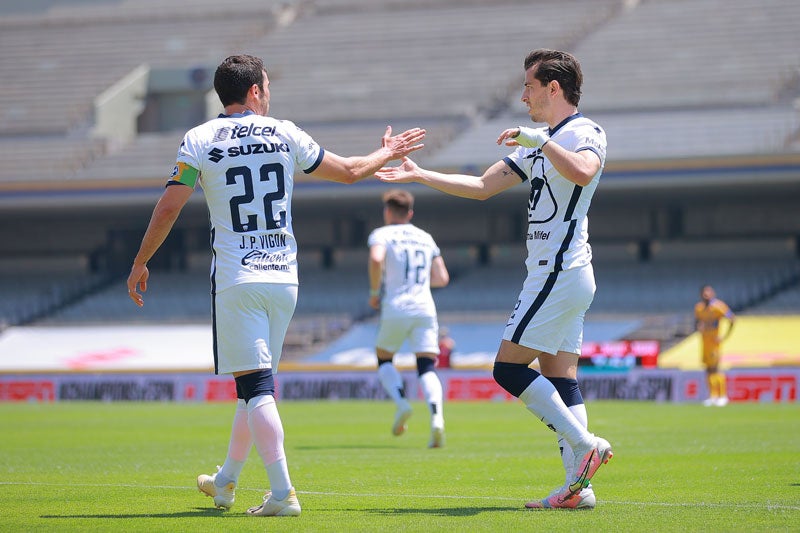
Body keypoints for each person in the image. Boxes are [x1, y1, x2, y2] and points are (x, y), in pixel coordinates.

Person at [126, 54, 425, 517]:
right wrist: (388, 152)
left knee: (257, 386)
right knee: (253, 387)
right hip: (284, 277)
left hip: (237, 278)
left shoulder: (200, 139)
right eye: (267, 85)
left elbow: (168, 207)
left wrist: (142, 260)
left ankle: (283, 495)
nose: (270, 93)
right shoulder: (285, 132)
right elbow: (348, 171)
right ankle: (225, 481)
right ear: (255, 92)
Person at [375, 49, 612, 510]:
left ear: (553, 88)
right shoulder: (540, 140)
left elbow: (583, 172)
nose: (523, 96)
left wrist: (540, 142)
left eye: (529, 86)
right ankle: (577, 489)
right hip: (557, 274)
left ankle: (585, 445)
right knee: (561, 377)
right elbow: (482, 187)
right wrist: (420, 174)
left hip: (560, 272)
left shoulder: (585, 132)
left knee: (507, 368)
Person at [368, 189, 450, 448]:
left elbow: (376, 258)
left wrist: (374, 291)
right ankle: (437, 418)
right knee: (426, 366)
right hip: (425, 306)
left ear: (388, 211)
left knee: (384, 358)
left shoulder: (382, 234)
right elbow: (442, 278)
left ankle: (402, 403)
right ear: (410, 213)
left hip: (395, 305)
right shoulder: (425, 237)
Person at [694, 285, 735, 407]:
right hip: (704, 343)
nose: (706, 295)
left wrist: (724, 336)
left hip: (714, 343)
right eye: (704, 293)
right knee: (707, 369)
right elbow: (697, 322)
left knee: (715, 368)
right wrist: (699, 328)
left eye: (708, 292)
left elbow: (732, 319)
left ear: (713, 293)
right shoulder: (699, 308)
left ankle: (722, 396)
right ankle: (712, 396)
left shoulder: (719, 307)